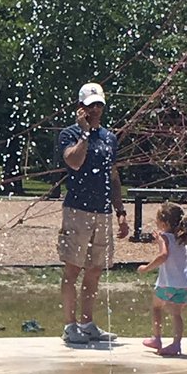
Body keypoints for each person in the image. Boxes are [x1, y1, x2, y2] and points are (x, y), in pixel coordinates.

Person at [57, 81, 130, 346]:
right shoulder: (69, 134)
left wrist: (120, 210)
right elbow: (74, 162)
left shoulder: (109, 138)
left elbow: (113, 174)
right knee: (73, 268)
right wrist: (85, 134)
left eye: (99, 105)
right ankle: (69, 324)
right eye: (91, 106)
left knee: (95, 269)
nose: (96, 110)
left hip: (102, 212)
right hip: (77, 209)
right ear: (81, 108)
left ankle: (88, 323)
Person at [137, 202, 187, 357]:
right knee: (176, 314)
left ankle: (157, 338)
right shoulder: (182, 238)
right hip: (185, 284)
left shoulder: (165, 237)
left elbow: (163, 255)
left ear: (164, 223)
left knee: (156, 307)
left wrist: (146, 268)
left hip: (168, 284)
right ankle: (176, 344)